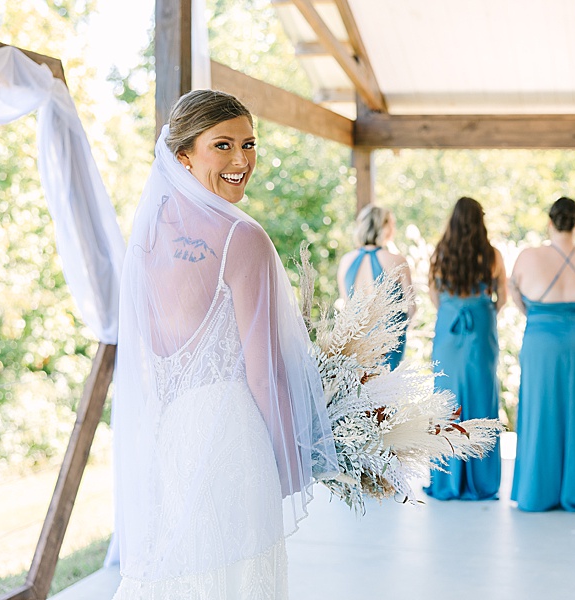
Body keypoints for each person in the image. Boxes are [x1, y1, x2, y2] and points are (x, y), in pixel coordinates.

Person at [110, 90, 337, 599]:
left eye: (249, 144)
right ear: (183, 156)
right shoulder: (242, 237)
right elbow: (265, 374)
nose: (241, 161)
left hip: (173, 439)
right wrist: (295, 460)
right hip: (236, 441)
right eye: (224, 146)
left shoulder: (145, 237)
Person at [508, 197, 575, 512]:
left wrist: (538, 317)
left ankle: (538, 491)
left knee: (541, 410)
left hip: (541, 339)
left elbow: (515, 295)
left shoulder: (528, 257)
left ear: (550, 223)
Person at [424, 197, 507, 500]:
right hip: (480, 330)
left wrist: (454, 307)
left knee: (447, 398)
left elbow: (435, 297)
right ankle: (481, 481)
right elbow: (503, 297)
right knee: (481, 396)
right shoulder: (493, 256)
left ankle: (447, 480)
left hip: (448, 331)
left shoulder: (440, 254)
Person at [337, 204, 415, 370]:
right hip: (389, 341)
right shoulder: (397, 260)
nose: (394, 229)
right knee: (387, 391)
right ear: (384, 227)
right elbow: (412, 306)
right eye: (392, 224)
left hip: (356, 340)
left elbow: (347, 306)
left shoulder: (346, 260)